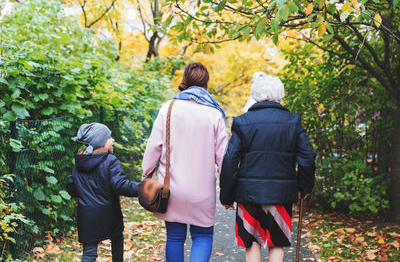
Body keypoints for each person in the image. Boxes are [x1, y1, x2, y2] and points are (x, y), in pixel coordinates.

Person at [219, 72, 316, 262]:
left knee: (251, 241)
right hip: (280, 194)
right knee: (276, 242)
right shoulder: (293, 121)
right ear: (280, 94)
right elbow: (308, 156)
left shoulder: (242, 122)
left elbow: (230, 160)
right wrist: (304, 187)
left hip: (248, 194)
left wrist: (227, 196)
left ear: (255, 94)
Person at [142, 62, 229, 262]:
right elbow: (223, 156)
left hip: (170, 188)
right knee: (203, 236)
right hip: (202, 191)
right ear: (206, 84)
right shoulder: (214, 114)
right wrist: (227, 188)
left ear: (185, 81)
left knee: (174, 237)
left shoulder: (169, 108)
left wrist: (145, 172)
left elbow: (154, 145)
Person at [66, 122, 139, 262]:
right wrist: (142, 189)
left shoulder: (79, 163)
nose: (113, 140)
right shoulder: (110, 161)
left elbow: (72, 188)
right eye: (109, 137)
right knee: (117, 239)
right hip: (110, 213)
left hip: (87, 215)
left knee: (89, 253)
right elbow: (120, 185)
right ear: (101, 142)